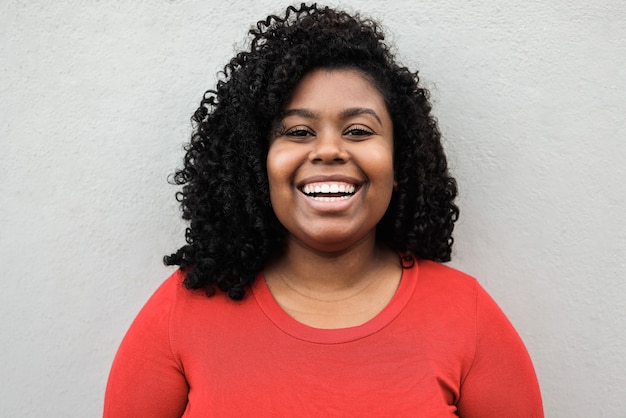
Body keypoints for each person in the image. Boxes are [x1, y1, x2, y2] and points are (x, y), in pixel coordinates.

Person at [104, 3, 543, 417]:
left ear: (399, 161)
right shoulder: (184, 309)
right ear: (256, 162)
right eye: (297, 131)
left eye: (357, 130)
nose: (329, 149)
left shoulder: (468, 315)